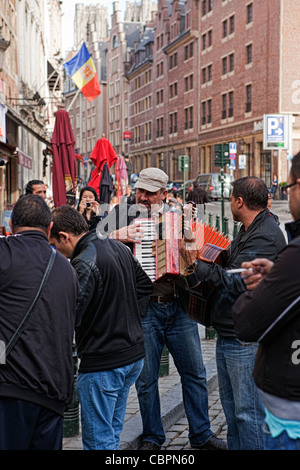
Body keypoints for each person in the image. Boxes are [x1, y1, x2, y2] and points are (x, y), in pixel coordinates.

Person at [97, 167, 227, 451]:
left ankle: (201, 435)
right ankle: (153, 437)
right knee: (146, 380)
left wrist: (190, 247)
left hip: (179, 308)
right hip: (145, 310)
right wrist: (119, 233)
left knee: (194, 373)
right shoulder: (122, 213)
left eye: (149, 193)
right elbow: (92, 243)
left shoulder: (180, 217)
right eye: (140, 190)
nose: (142, 197)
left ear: (164, 194)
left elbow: (199, 256)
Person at [180, 176, 286, 450]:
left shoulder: (265, 235)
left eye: (230, 199)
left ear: (239, 201)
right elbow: (230, 262)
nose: (229, 204)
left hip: (245, 340)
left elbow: (236, 280)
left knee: (247, 414)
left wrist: (195, 264)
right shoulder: (249, 228)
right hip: (230, 332)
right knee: (232, 411)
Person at [49, 205, 153, 450]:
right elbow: (144, 287)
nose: (58, 252)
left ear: (64, 236)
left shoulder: (83, 262)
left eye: (55, 245)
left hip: (104, 361)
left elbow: (72, 315)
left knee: (99, 442)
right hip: (131, 355)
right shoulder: (117, 246)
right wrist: (124, 316)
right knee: (111, 435)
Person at [232, 152, 300, 450]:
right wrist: (280, 277)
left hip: (290, 416)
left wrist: (264, 288)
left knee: (247, 414)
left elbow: (247, 321)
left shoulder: (292, 253)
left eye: (289, 187)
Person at [0, 195, 78, 450]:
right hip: (53, 393)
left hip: (11, 391)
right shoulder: (68, 269)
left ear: (11, 225)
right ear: (49, 229)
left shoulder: (4, 254)